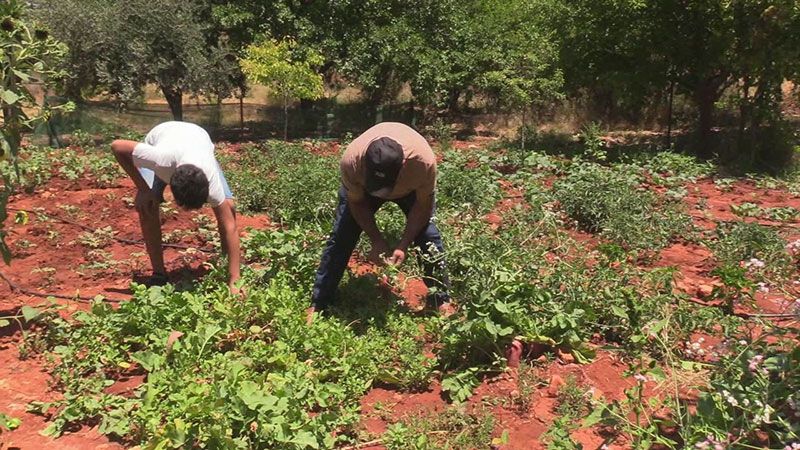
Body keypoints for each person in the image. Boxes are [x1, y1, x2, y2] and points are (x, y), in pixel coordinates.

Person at [309, 122, 452, 320]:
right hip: (363, 188)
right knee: (342, 236)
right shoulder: (352, 161)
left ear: (403, 165)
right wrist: (376, 239)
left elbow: (422, 207)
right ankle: (320, 303)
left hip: (410, 188)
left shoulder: (422, 163)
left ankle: (440, 301)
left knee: (428, 236)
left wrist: (403, 244)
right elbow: (357, 203)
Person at [110, 121, 242, 294]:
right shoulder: (159, 159)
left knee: (228, 207)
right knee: (147, 206)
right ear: (171, 186)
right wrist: (143, 189)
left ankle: (228, 268)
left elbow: (230, 226)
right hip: (163, 136)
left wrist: (235, 281)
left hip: (197, 138)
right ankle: (159, 274)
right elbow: (117, 146)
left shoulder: (210, 180)